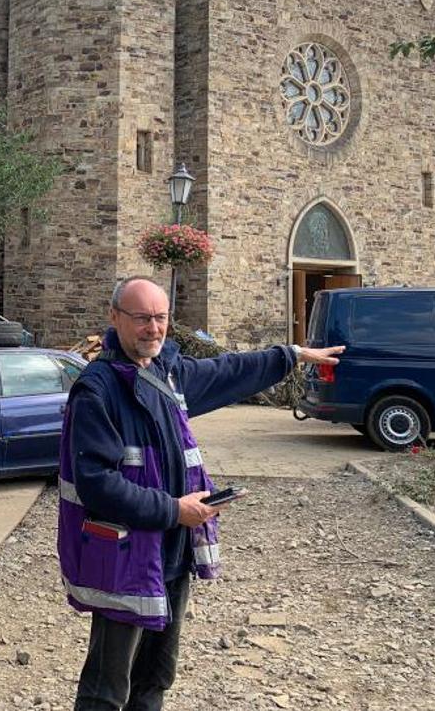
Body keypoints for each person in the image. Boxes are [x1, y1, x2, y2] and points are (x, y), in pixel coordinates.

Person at [59, 278, 344, 711]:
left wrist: (291, 355)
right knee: (106, 687)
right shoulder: (97, 390)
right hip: (124, 558)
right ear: (115, 318)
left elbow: (229, 370)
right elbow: (97, 485)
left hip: (173, 555)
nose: (153, 329)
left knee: (155, 676)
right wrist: (174, 509)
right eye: (141, 318)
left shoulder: (167, 374)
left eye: (161, 318)